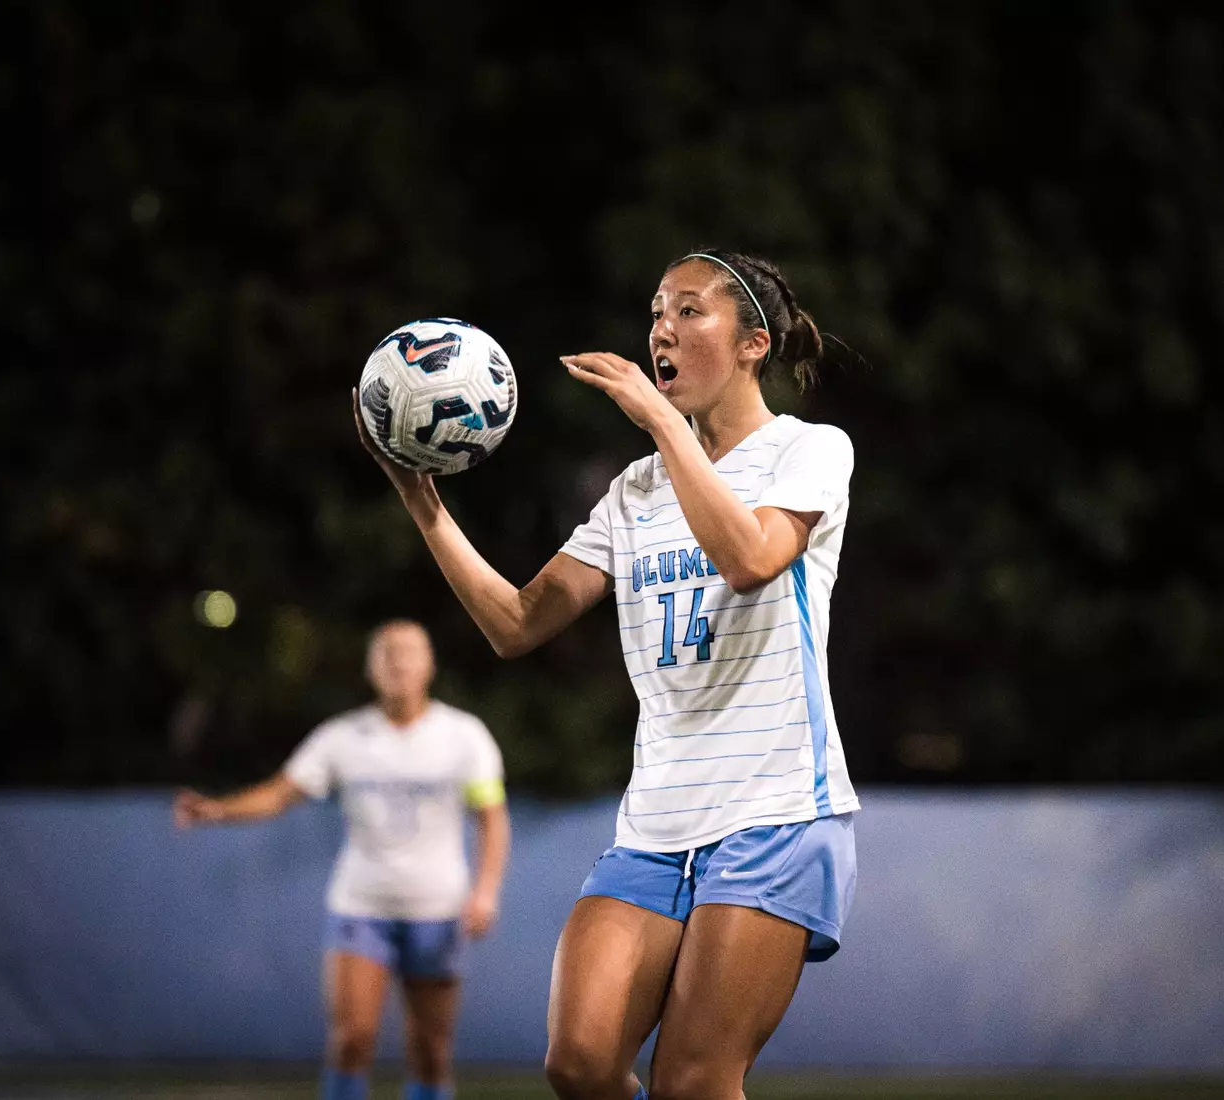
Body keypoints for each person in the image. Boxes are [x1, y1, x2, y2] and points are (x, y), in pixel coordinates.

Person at [353, 248, 859, 1100]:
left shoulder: (808, 451)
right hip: (656, 819)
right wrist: (422, 502)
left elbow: (750, 558)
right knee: (580, 1063)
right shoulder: (634, 493)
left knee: (696, 1082)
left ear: (752, 345)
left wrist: (663, 426)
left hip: (777, 813)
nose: (662, 328)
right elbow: (516, 624)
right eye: (658, 311)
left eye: (691, 310)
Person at [173, 619, 511, 1100]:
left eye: (410, 651)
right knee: (351, 1038)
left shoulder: (464, 736)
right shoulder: (343, 737)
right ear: (370, 668)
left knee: (431, 1051)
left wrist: (486, 890)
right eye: (386, 652)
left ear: (430, 665)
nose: (398, 661)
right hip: (361, 906)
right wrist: (216, 809)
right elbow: (279, 793)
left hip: (438, 910)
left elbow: (492, 818)